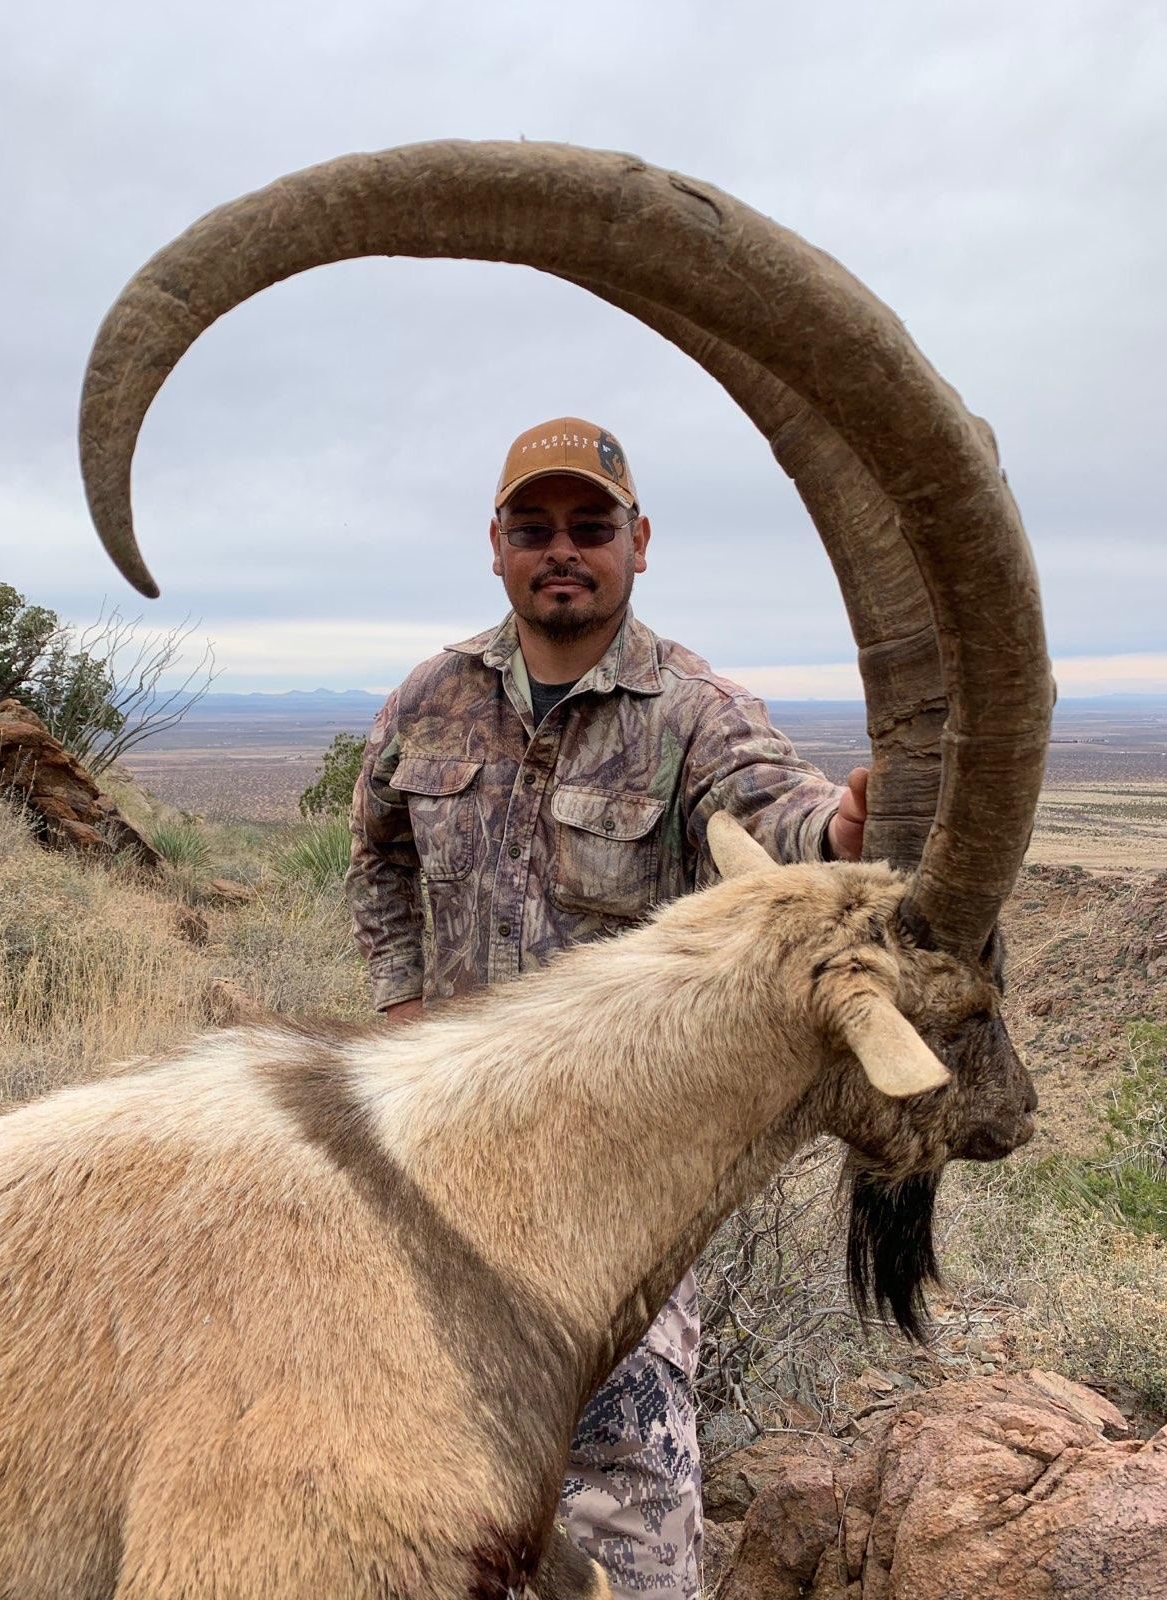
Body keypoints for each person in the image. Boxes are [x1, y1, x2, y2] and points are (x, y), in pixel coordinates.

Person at [347, 417, 868, 1599]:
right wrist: (401, 1001)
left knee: (625, 1500)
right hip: (441, 1147)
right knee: (431, 1480)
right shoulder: (430, 697)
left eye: (591, 527)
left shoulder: (696, 712)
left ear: (639, 541)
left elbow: (779, 818)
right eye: (535, 528)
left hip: (618, 1175)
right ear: (496, 546)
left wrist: (838, 833)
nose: (562, 551)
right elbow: (375, 852)